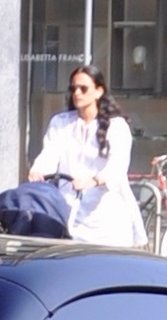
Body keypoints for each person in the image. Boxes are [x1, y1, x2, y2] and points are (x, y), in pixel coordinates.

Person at [30, 64, 144, 247]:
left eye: (83, 89)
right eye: (73, 88)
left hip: (105, 218)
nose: (77, 93)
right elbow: (50, 153)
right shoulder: (61, 123)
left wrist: (94, 180)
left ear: (99, 91)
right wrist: (39, 170)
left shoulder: (116, 126)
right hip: (69, 212)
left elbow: (117, 166)